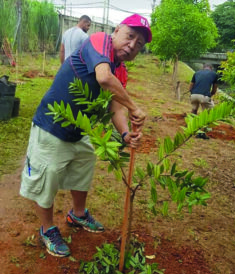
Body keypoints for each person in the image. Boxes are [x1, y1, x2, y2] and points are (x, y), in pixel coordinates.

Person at [20, 14, 152, 258]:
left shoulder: (120, 71)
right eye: (130, 36)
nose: (133, 45)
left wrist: (124, 134)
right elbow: (103, 77)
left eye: (140, 44)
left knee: (83, 170)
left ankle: (77, 214)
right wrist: (136, 107)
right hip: (52, 123)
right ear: (116, 31)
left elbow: (115, 106)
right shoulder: (100, 40)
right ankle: (47, 228)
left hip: (80, 129)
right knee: (47, 179)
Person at [189, 63, 218, 139]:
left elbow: (190, 86)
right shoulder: (214, 74)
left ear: (203, 67)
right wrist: (210, 95)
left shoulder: (196, 73)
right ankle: (202, 133)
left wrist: (192, 93)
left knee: (194, 110)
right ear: (211, 68)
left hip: (194, 95)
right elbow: (214, 89)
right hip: (204, 96)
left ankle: (191, 128)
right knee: (208, 113)